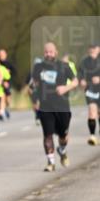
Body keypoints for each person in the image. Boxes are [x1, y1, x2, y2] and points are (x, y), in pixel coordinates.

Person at [30, 42, 77, 171]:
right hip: (45, 106)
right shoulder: (38, 67)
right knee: (47, 135)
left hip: (62, 106)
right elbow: (34, 84)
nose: (48, 54)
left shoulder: (64, 66)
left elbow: (75, 81)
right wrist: (34, 97)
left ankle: (62, 150)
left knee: (63, 136)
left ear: (56, 52)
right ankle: (50, 162)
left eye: (51, 51)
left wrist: (65, 88)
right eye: (46, 52)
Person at [79, 42, 100, 146]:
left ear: (98, 49)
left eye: (94, 48)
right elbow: (80, 74)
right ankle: (92, 135)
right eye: (90, 48)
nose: (92, 50)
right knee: (92, 111)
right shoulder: (84, 62)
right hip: (90, 89)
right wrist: (81, 81)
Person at [0, 48, 17, 121]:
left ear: (5, 55)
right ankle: (1, 111)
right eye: (0, 55)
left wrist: (9, 74)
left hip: (7, 82)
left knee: (7, 99)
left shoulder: (9, 64)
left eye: (2, 54)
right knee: (2, 96)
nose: (1, 56)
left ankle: (6, 108)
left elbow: (15, 72)